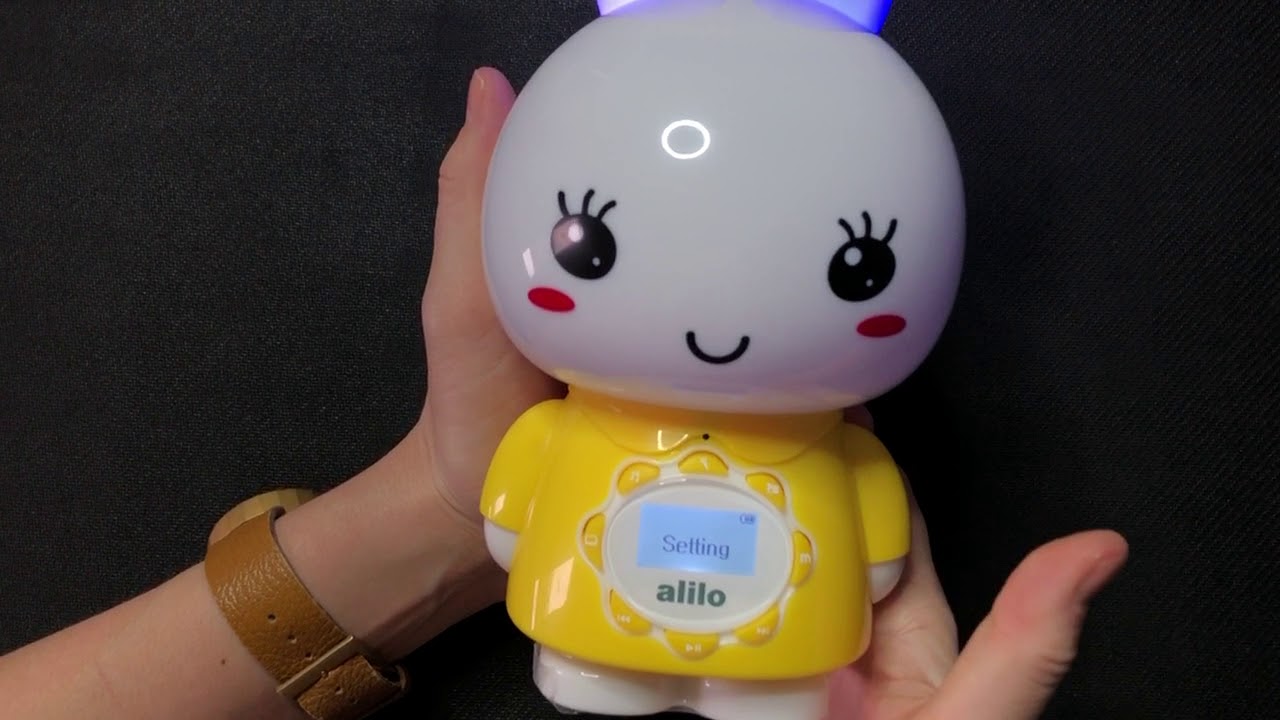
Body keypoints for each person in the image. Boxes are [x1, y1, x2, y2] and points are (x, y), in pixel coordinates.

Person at [0, 68, 1129, 720]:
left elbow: (510, 518)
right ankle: (599, 669)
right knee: (606, 663)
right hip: (618, 611)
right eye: (595, 247)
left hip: (791, 653)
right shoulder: (597, 427)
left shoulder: (845, 453)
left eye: (861, 268)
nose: (717, 323)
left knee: (776, 690)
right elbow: (508, 510)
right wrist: (473, 511)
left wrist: (482, 519)